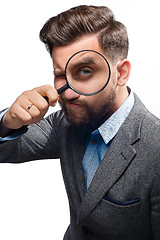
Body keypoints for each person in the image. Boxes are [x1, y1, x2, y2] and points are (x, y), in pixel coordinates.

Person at [0, 5, 160, 240]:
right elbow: (7, 150)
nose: (68, 92)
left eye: (84, 71)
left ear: (122, 73)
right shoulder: (63, 123)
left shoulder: (155, 148)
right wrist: (7, 122)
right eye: (60, 74)